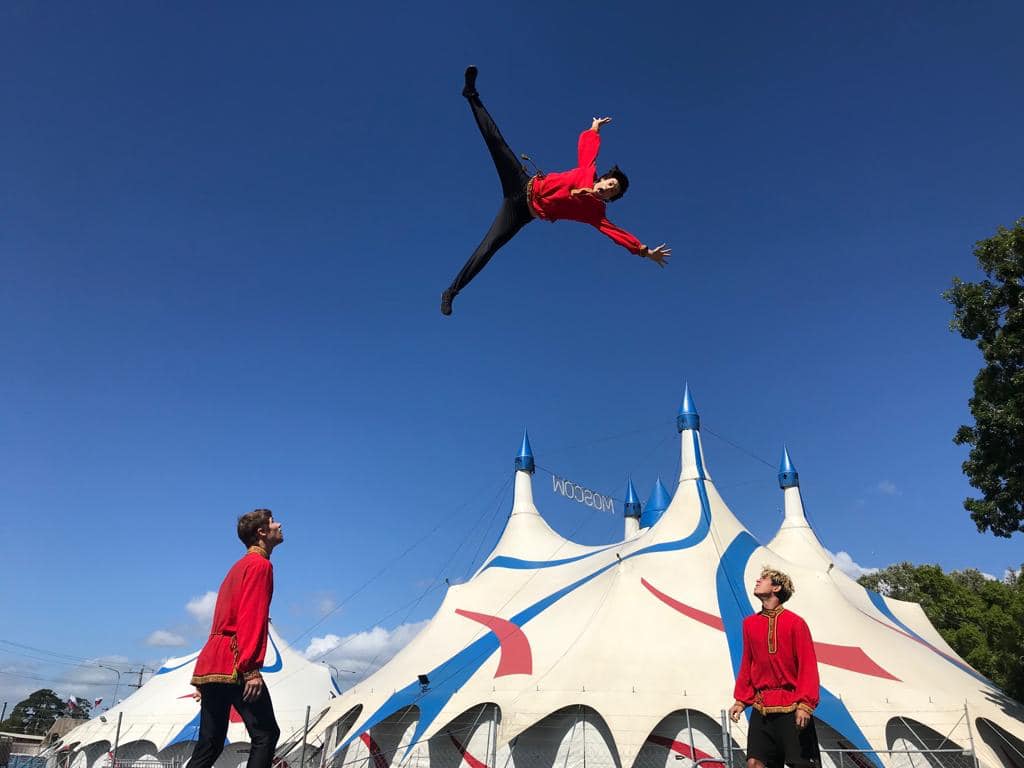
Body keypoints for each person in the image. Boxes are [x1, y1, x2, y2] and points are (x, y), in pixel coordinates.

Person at [441, 66, 671, 316]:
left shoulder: (595, 213)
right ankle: (471, 94)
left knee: (488, 248)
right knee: (496, 141)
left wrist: (644, 251)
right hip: (521, 183)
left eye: (612, 192)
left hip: (520, 212)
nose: (607, 189)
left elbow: (615, 233)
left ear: (610, 198)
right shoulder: (587, 171)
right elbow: (589, 148)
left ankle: (451, 291)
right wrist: (594, 128)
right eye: (610, 184)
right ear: (604, 178)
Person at [188, 509, 284, 768]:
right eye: (273, 522)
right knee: (266, 734)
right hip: (235, 659)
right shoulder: (259, 565)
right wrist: (251, 668)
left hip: (213, 662)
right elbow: (251, 616)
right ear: (262, 533)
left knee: (211, 742)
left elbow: (221, 618)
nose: (279, 524)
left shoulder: (237, 567)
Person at [729, 567, 821, 768]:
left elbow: (807, 665)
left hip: (792, 705)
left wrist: (805, 704)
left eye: (764, 579)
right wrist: (742, 699)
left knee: (802, 765)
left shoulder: (796, 623)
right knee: (754, 763)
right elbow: (747, 662)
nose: (757, 580)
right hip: (762, 705)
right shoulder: (749, 624)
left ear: (777, 587)